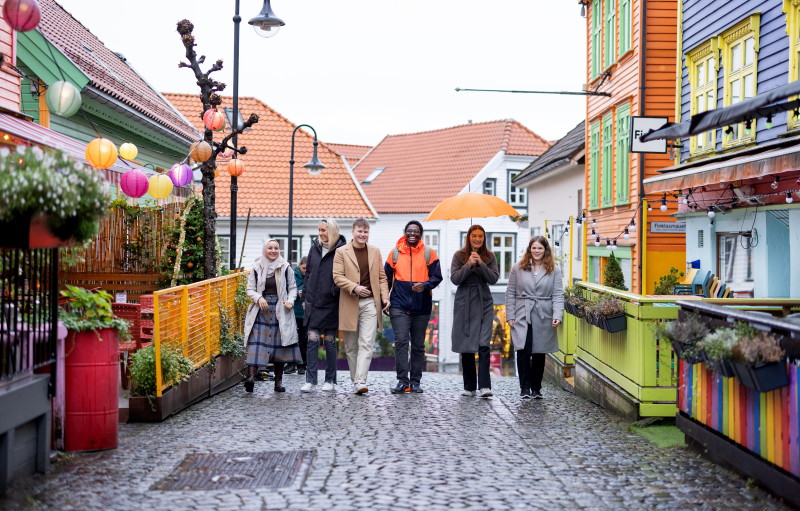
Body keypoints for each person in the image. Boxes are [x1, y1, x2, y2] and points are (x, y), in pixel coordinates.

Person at [333, 218, 390, 394]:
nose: (362, 234)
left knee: (367, 342)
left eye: (365, 232)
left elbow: (382, 277)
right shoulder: (341, 252)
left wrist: (385, 297)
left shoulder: (375, 251)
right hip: (350, 303)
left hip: (370, 304)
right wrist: (354, 287)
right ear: (353, 231)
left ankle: (360, 380)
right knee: (350, 346)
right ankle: (355, 379)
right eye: (360, 231)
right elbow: (337, 276)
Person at [384, 220, 442, 394]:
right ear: (405, 232)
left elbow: (437, 277)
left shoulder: (428, 253)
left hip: (421, 305)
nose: (412, 233)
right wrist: (384, 300)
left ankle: (415, 382)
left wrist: (424, 285)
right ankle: (403, 381)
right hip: (399, 304)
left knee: (417, 345)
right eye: (410, 231)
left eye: (416, 231)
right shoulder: (394, 253)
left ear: (420, 234)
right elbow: (385, 279)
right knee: (401, 341)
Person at [506, 235, 564, 400]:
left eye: (540, 248)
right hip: (522, 311)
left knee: (539, 352)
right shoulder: (518, 267)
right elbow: (510, 293)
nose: (536, 251)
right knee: (523, 349)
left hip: (543, 313)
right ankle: (524, 388)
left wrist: (557, 315)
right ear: (529, 249)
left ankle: (536, 388)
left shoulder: (553, 270)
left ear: (545, 250)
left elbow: (558, 295)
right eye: (534, 248)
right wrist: (510, 314)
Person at [243, 239, 300, 393]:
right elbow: (250, 289)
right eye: (270, 248)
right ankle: (251, 378)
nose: (273, 251)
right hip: (260, 310)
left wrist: (290, 300)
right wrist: (259, 298)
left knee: (279, 346)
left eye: (276, 248)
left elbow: (293, 288)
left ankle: (278, 383)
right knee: (256, 343)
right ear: (265, 250)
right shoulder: (256, 267)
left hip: (280, 310)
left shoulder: (286, 267)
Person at [450, 225, 499, 398]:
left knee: (484, 342)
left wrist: (481, 264)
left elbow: (493, 279)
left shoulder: (490, 256)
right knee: (467, 343)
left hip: (484, 299)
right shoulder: (459, 255)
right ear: (469, 237)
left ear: (484, 238)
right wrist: (469, 264)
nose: (477, 239)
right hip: (465, 301)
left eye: (480, 236)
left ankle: (485, 386)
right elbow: (455, 279)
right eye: (474, 236)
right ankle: (469, 386)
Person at [300, 219, 347, 393]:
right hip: (313, 301)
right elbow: (309, 274)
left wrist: (334, 291)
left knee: (329, 342)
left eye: (324, 230)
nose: (320, 233)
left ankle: (330, 380)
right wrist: (305, 298)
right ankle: (310, 380)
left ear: (332, 230)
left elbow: (345, 274)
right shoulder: (314, 247)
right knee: (311, 340)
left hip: (331, 303)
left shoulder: (342, 249)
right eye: (319, 230)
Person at [285, 256, 308, 375]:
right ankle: (291, 363)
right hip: (293, 311)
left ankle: (302, 364)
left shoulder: (312, 276)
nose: (305, 270)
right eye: (304, 268)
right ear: (299, 266)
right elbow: (288, 289)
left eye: (307, 268)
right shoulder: (293, 275)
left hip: (306, 313)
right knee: (292, 338)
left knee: (304, 339)